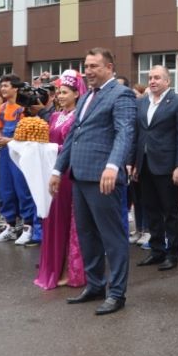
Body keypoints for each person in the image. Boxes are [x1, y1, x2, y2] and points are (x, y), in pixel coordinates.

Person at [50, 48, 137, 316]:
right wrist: (57, 170)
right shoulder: (87, 96)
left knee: (113, 237)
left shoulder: (120, 94)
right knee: (87, 235)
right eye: (86, 66)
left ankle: (117, 293)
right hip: (79, 175)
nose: (87, 71)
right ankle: (95, 284)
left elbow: (125, 132)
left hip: (104, 178)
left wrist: (113, 165)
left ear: (109, 67)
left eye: (94, 66)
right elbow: (75, 135)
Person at [133, 65, 178, 272]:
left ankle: (173, 253)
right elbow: (137, 134)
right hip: (145, 165)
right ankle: (157, 251)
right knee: (151, 209)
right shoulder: (141, 103)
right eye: (150, 78)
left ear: (167, 81)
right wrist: (133, 162)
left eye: (157, 78)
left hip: (167, 166)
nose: (152, 81)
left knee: (170, 211)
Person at [35, 70, 87, 290]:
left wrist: (53, 149)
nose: (60, 96)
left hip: (69, 174)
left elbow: (74, 146)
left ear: (77, 93)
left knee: (68, 222)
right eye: (58, 92)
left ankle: (69, 269)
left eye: (65, 92)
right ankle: (53, 266)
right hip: (54, 172)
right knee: (53, 220)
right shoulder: (55, 116)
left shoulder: (79, 117)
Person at [0, 74, 41, 246]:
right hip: (5, 154)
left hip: (22, 155)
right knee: (6, 190)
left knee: (23, 190)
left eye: (6, 86)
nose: (3, 89)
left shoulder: (25, 109)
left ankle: (28, 227)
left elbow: (30, 135)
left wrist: (8, 140)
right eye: (1, 86)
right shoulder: (2, 109)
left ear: (15, 89)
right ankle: (10, 227)